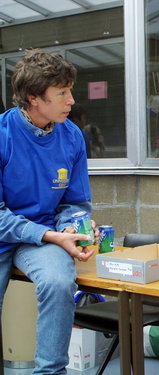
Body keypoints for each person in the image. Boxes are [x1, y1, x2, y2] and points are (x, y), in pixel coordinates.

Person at [0, 49, 97, 374]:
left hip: (42, 238)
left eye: (70, 90)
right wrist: (49, 234)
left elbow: (75, 201)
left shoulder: (72, 137)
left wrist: (71, 228)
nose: (71, 100)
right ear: (33, 98)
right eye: (62, 93)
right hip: (7, 233)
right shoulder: (3, 135)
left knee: (58, 282)